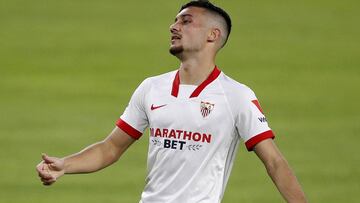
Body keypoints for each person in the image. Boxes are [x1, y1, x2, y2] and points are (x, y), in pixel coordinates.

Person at [36, 1, 307, 202]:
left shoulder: (237, 96)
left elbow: (275, 163)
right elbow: (110, 148)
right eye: (175, 21)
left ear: (212, 35)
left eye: (186, 21)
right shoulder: (152, 88)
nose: (173, 26)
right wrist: (65, 165)